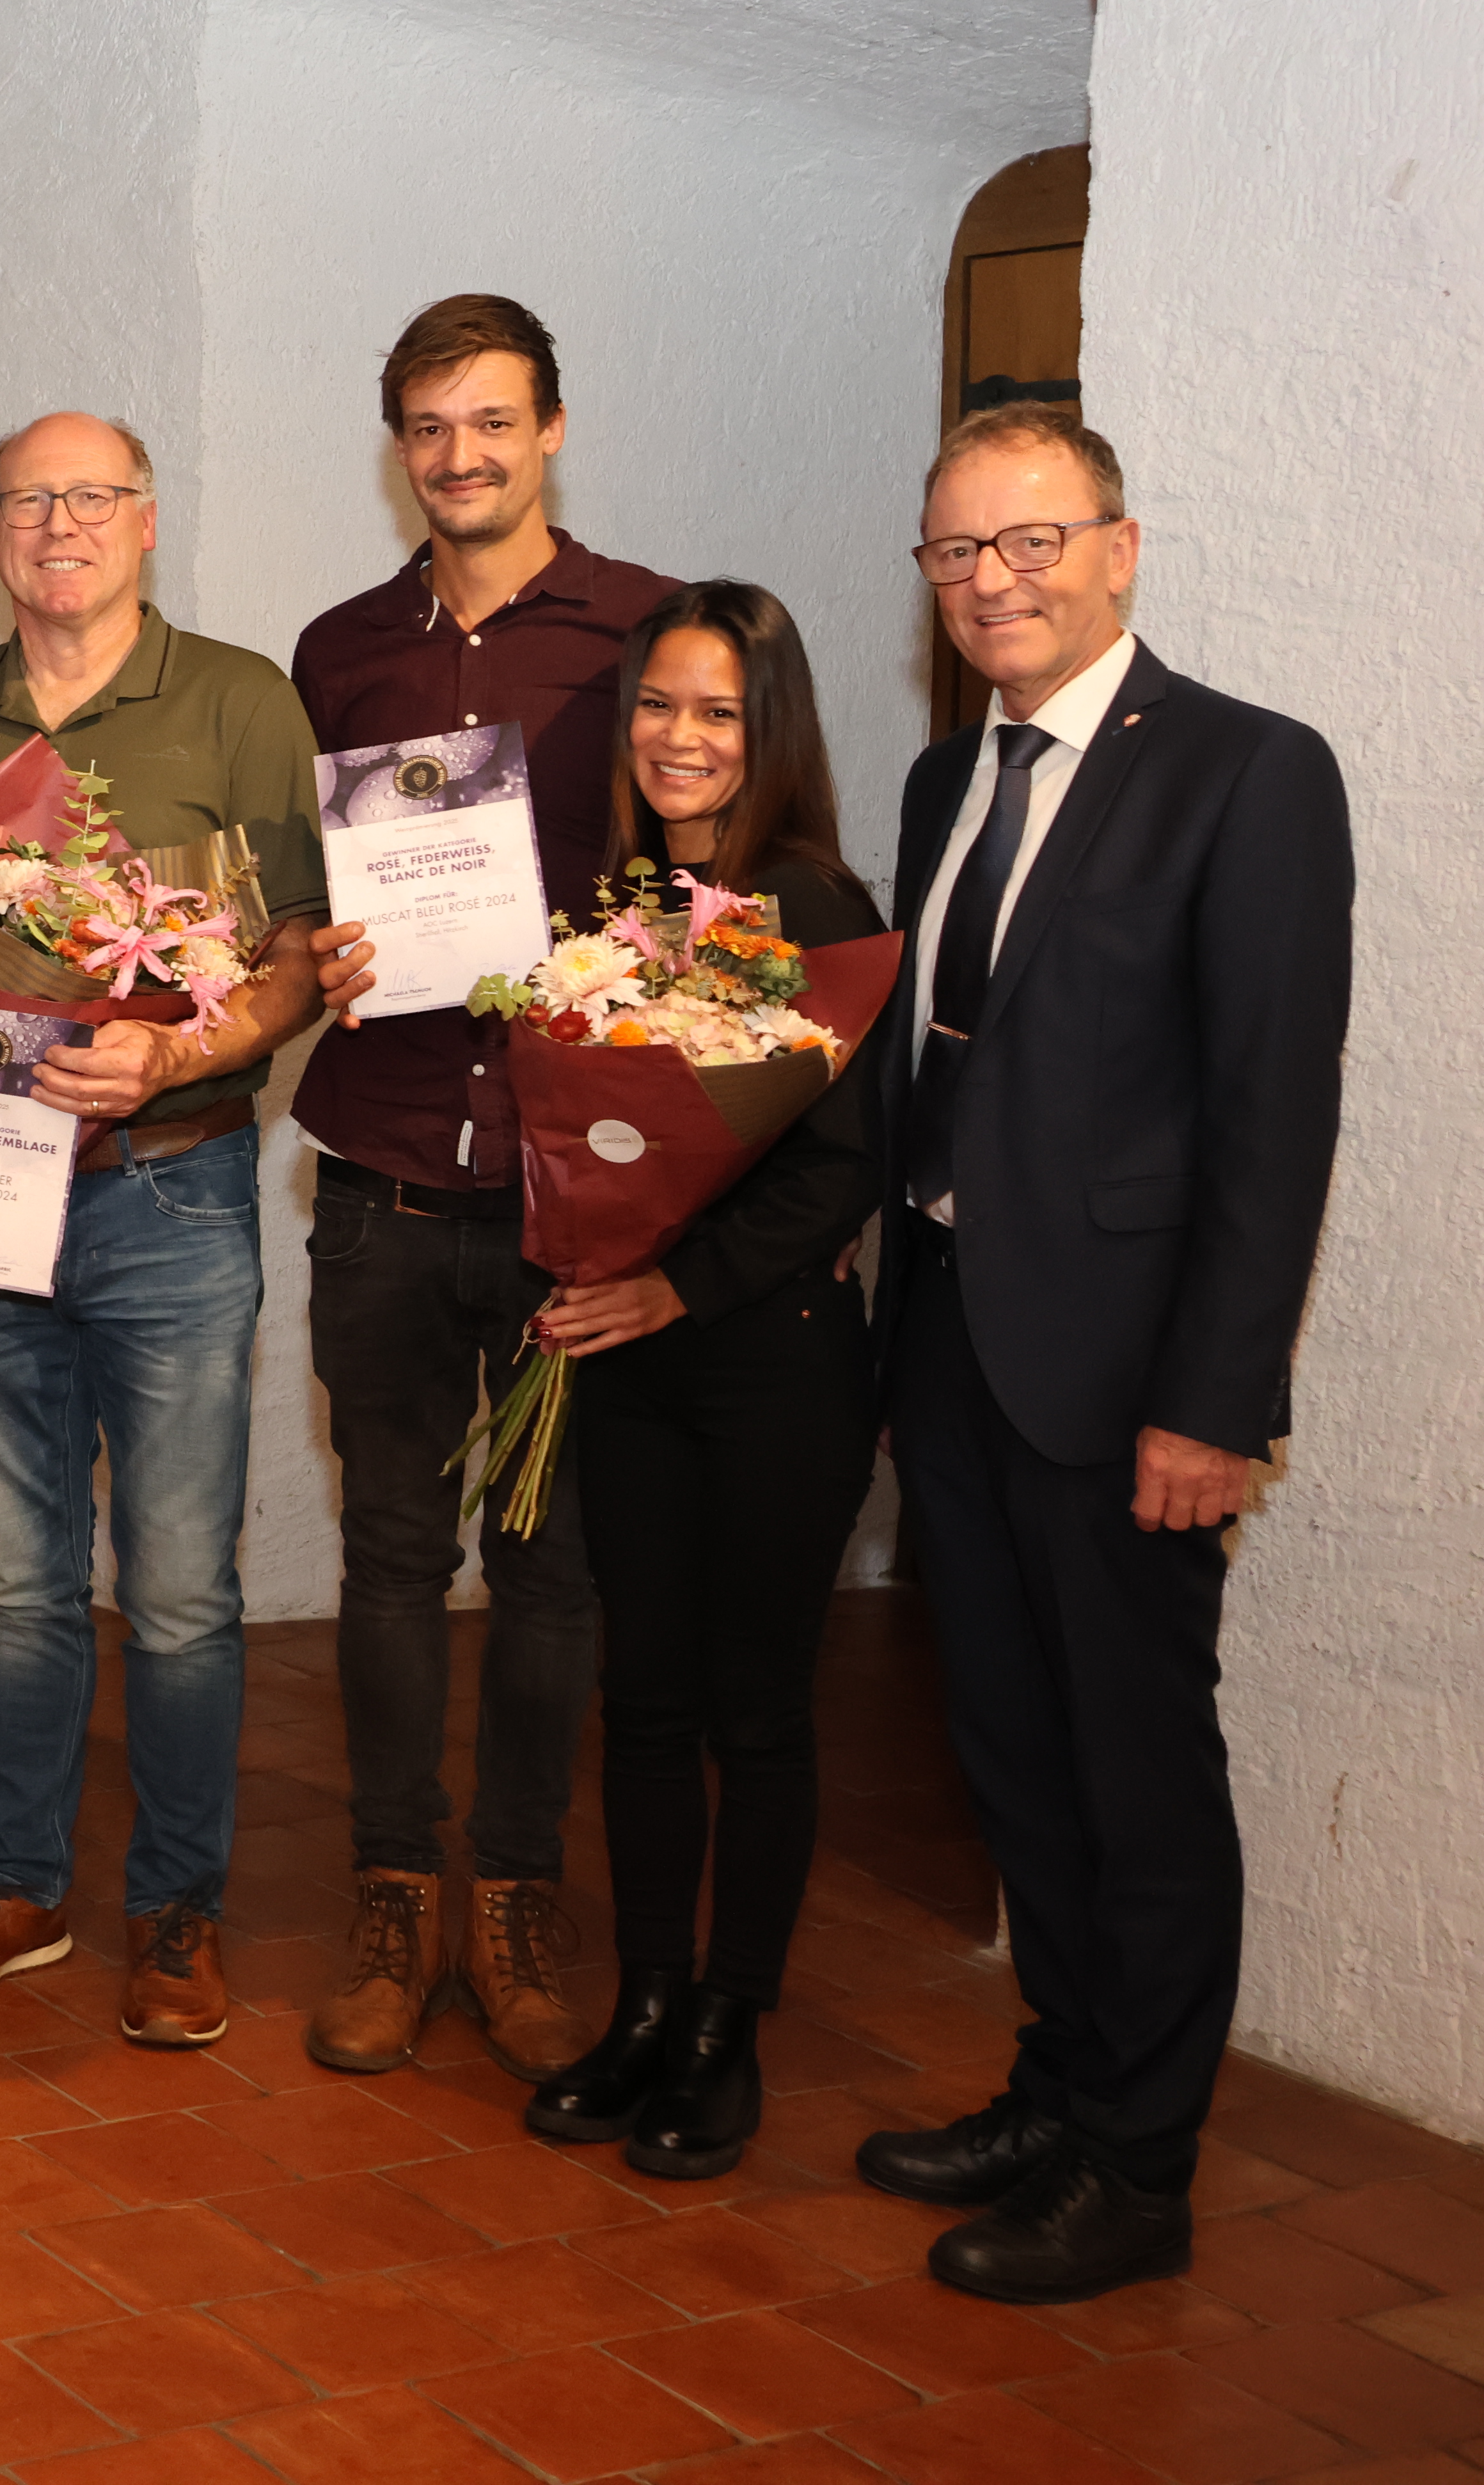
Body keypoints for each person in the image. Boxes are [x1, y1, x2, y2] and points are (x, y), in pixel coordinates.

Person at [855, 409, 1348, 2303]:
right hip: (959, 1354)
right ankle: (1059, 2086)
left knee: (1135, 1772)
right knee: (1012, 1754)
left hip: (1128, 1384)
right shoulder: (940, 785)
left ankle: (1140, 2170)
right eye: (958, 553)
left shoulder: (1246, 774)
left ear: (1120, 549)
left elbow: (1268, 1116)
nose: (996, 581)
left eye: (1032, 542)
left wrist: (1214, 1403)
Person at [0, 415, 323, 2044]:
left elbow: (288, 957)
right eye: (28, 501)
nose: (60, 525)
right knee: (20, 1581)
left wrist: (175, 1052)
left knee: (183, 1588)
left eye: (92, 498)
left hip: (174, 1193)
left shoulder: (243, 700)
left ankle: (181, 1913)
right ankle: (20, 1885)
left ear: (146, 521)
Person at [288, 294, 680, 2083]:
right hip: (378, 1166)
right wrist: (323, 948)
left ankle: (518, 1895)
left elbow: (692, 884)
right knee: (384, 1555)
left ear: (554, 426)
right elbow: (305, 899)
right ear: (401, 447)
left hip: (555, 1190)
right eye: (431, 427)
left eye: (494, 421)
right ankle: (393, 1888)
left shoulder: (643, 633)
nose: (463, 455)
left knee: (550, 1573)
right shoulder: (339, 647)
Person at [512, 583, 884, 2177]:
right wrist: (582, 1248)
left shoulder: (819, 905)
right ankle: (647, 2001)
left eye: (718, 712)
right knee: (643, 1699)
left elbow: (843, 1169)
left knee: (756, 1707)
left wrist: (675, 1275)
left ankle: (731, 2024)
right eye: (658, 705)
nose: (680, 737)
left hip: (774, 1366)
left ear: (770, 730)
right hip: (632, 1361)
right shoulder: (619, 903)